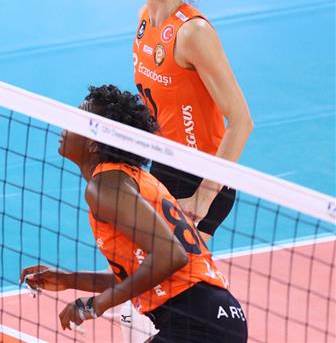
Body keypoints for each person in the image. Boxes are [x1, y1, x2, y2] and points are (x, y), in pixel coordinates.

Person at [19, 84, 248, 341]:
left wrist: (94, 305)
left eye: (78, 119)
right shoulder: (129, 179)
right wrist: (69, 280)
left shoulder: (105, 187)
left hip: (196, 320)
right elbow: (141, 275)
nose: (66, 124)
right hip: (210, 317)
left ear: (93, 143)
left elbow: (171, 255)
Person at [130, 0, 252, 239]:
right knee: (141, 263)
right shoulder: (145, 18)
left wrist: (204, 198)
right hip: (165, 164)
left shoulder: (193, 33)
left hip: (201, 175)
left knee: (171, 268)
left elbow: (241, 121)